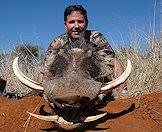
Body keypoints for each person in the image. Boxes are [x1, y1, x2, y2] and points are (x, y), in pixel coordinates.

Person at [37, 5, 126, 101]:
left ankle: (121, 94)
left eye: (80, 22)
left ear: (86, 24)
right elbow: (47, 69)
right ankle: (37, 98)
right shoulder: (57, 43)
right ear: (65, 25)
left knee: (116, 63)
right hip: (64, 82)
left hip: (92, 80)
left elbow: (113, 62)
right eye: (71, 22)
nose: (76, 26)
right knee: (42, 72)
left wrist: (121, 92)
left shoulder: (96, 37)